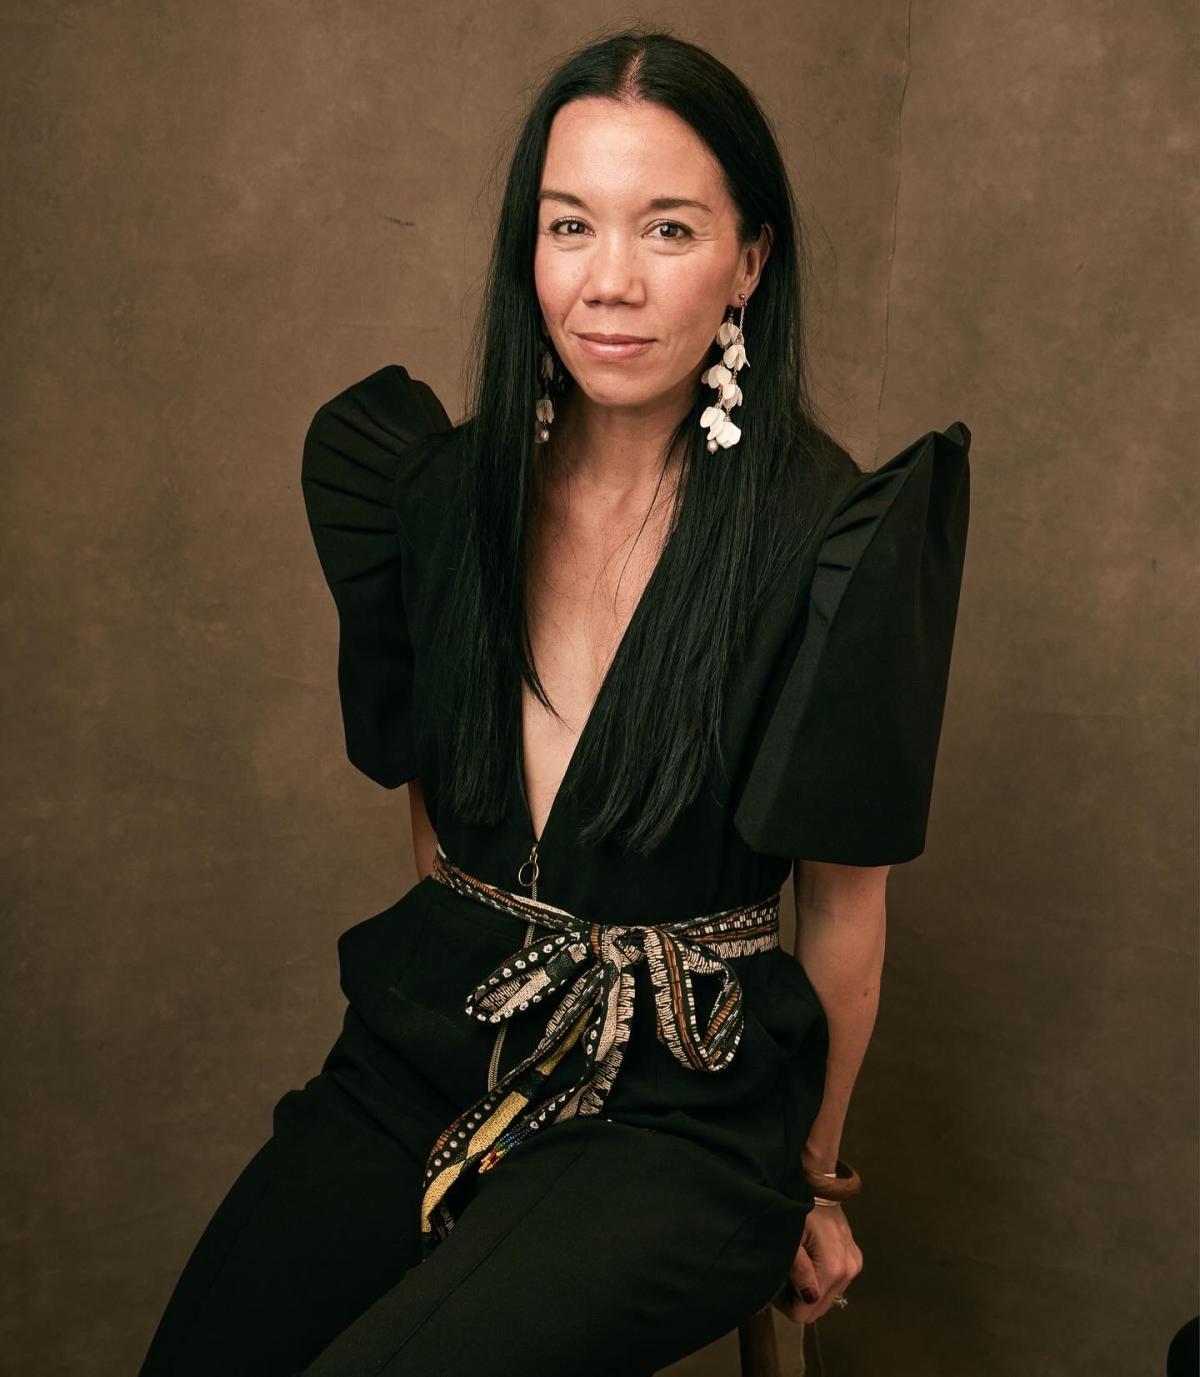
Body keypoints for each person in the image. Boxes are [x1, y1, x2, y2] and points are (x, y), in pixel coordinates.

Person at [137, 26, 970, 1377]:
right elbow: (445, 840)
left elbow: (847, 913)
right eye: (570, 225)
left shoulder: (827, 540)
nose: (611, 282)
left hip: (684, 1112)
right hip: (432, 1048)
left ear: (749, 259)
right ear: (529, 251)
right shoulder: (439, 494)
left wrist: (813, 1179)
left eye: (670, 229)